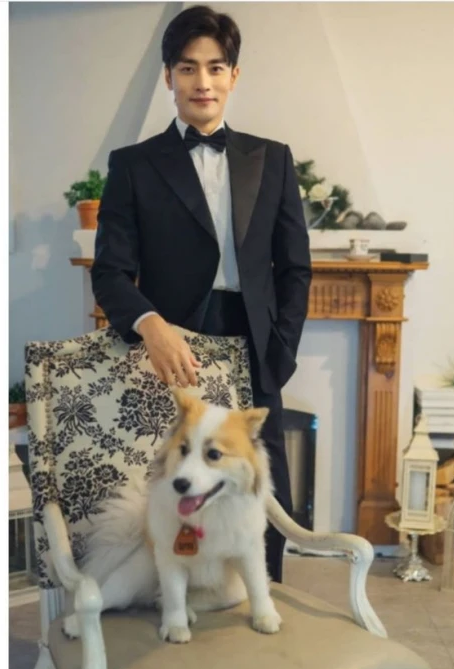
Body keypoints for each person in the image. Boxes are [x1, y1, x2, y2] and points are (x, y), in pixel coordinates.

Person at [91, 4, 311, 583]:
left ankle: (261, 598)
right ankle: (172, 601)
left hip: (256, 343)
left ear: (234, 75)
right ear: (169, 76)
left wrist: (282, 350)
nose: (202, 81)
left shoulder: (273, 158)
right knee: (178, 484)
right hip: (172, 350)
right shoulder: (133, 166)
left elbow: (295, 268)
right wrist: (150, 325)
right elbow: (109, 271)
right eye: (188, 68)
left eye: (215, 68)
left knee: (261, 486)